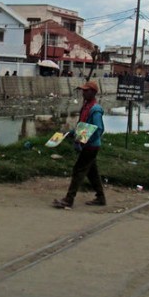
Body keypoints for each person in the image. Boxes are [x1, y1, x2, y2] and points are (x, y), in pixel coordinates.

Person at [52, 80, 106, 209]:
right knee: (92, 172)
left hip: (91, 146)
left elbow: (98, 129)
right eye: (83, 90)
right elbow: (82, 125)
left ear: (92, 92)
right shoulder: (86, 106)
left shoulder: (95, 109)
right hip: (87, 145)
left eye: (86, 90)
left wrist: (81, 138)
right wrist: (72, 132)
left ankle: (69, 199)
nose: (83, 93)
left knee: (78, 170)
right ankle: (101, 197)